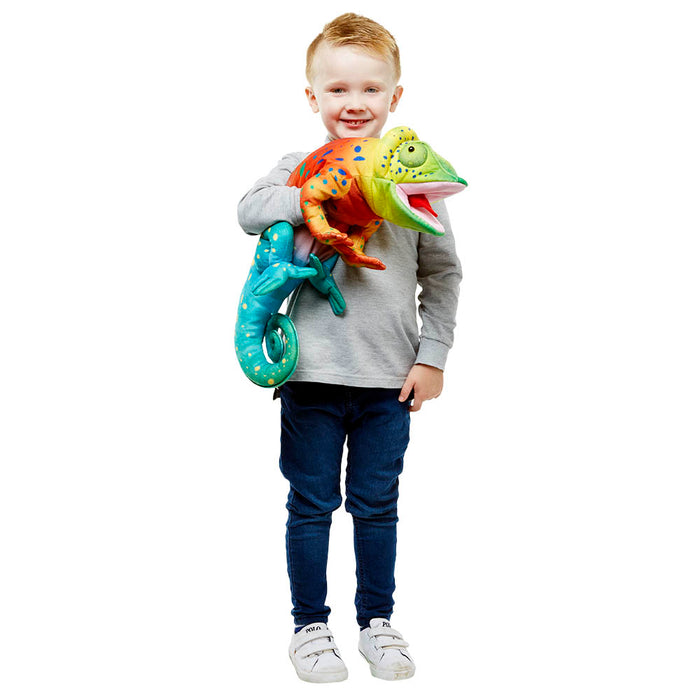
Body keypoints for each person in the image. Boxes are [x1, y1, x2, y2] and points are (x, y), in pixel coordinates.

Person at [237, 13, 462, 683]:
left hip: (390, 380)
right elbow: (249, 210)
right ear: (313, 97)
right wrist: (312, 190)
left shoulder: (414, 180)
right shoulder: (300, 165)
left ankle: (377, 623)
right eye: (337, 89)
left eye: (370, 88)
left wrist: (433, 355)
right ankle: (309, 627)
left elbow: (443, 275)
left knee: (376, 505)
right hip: (309, 372)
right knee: (310, 505)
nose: (354, 103)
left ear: (395, 96)